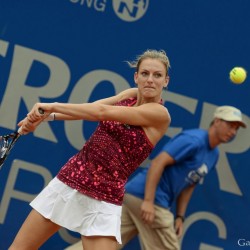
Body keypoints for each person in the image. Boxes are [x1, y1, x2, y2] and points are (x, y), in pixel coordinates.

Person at [9, 49, 171, 250]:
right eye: (145, 73)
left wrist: (51, 106)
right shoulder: (129, 95)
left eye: (157, 75)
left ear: (166, 81)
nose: (150, 80)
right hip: (71, 179)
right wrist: (45, 117)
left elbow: (101, 112)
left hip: (105, 198)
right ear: (136, 77)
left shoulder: (159, 114)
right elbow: (91, 107)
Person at [120, 105, 246, 250]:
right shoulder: (193, 140)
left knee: (104, 243)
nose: (233, 132)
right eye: (230, 125)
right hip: (149, 198)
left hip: (134, 196)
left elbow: (190, 184)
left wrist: (180, 216)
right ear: (217, 121)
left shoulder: (214, 155)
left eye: (236, 128)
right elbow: (157, 163)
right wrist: (148, 201)